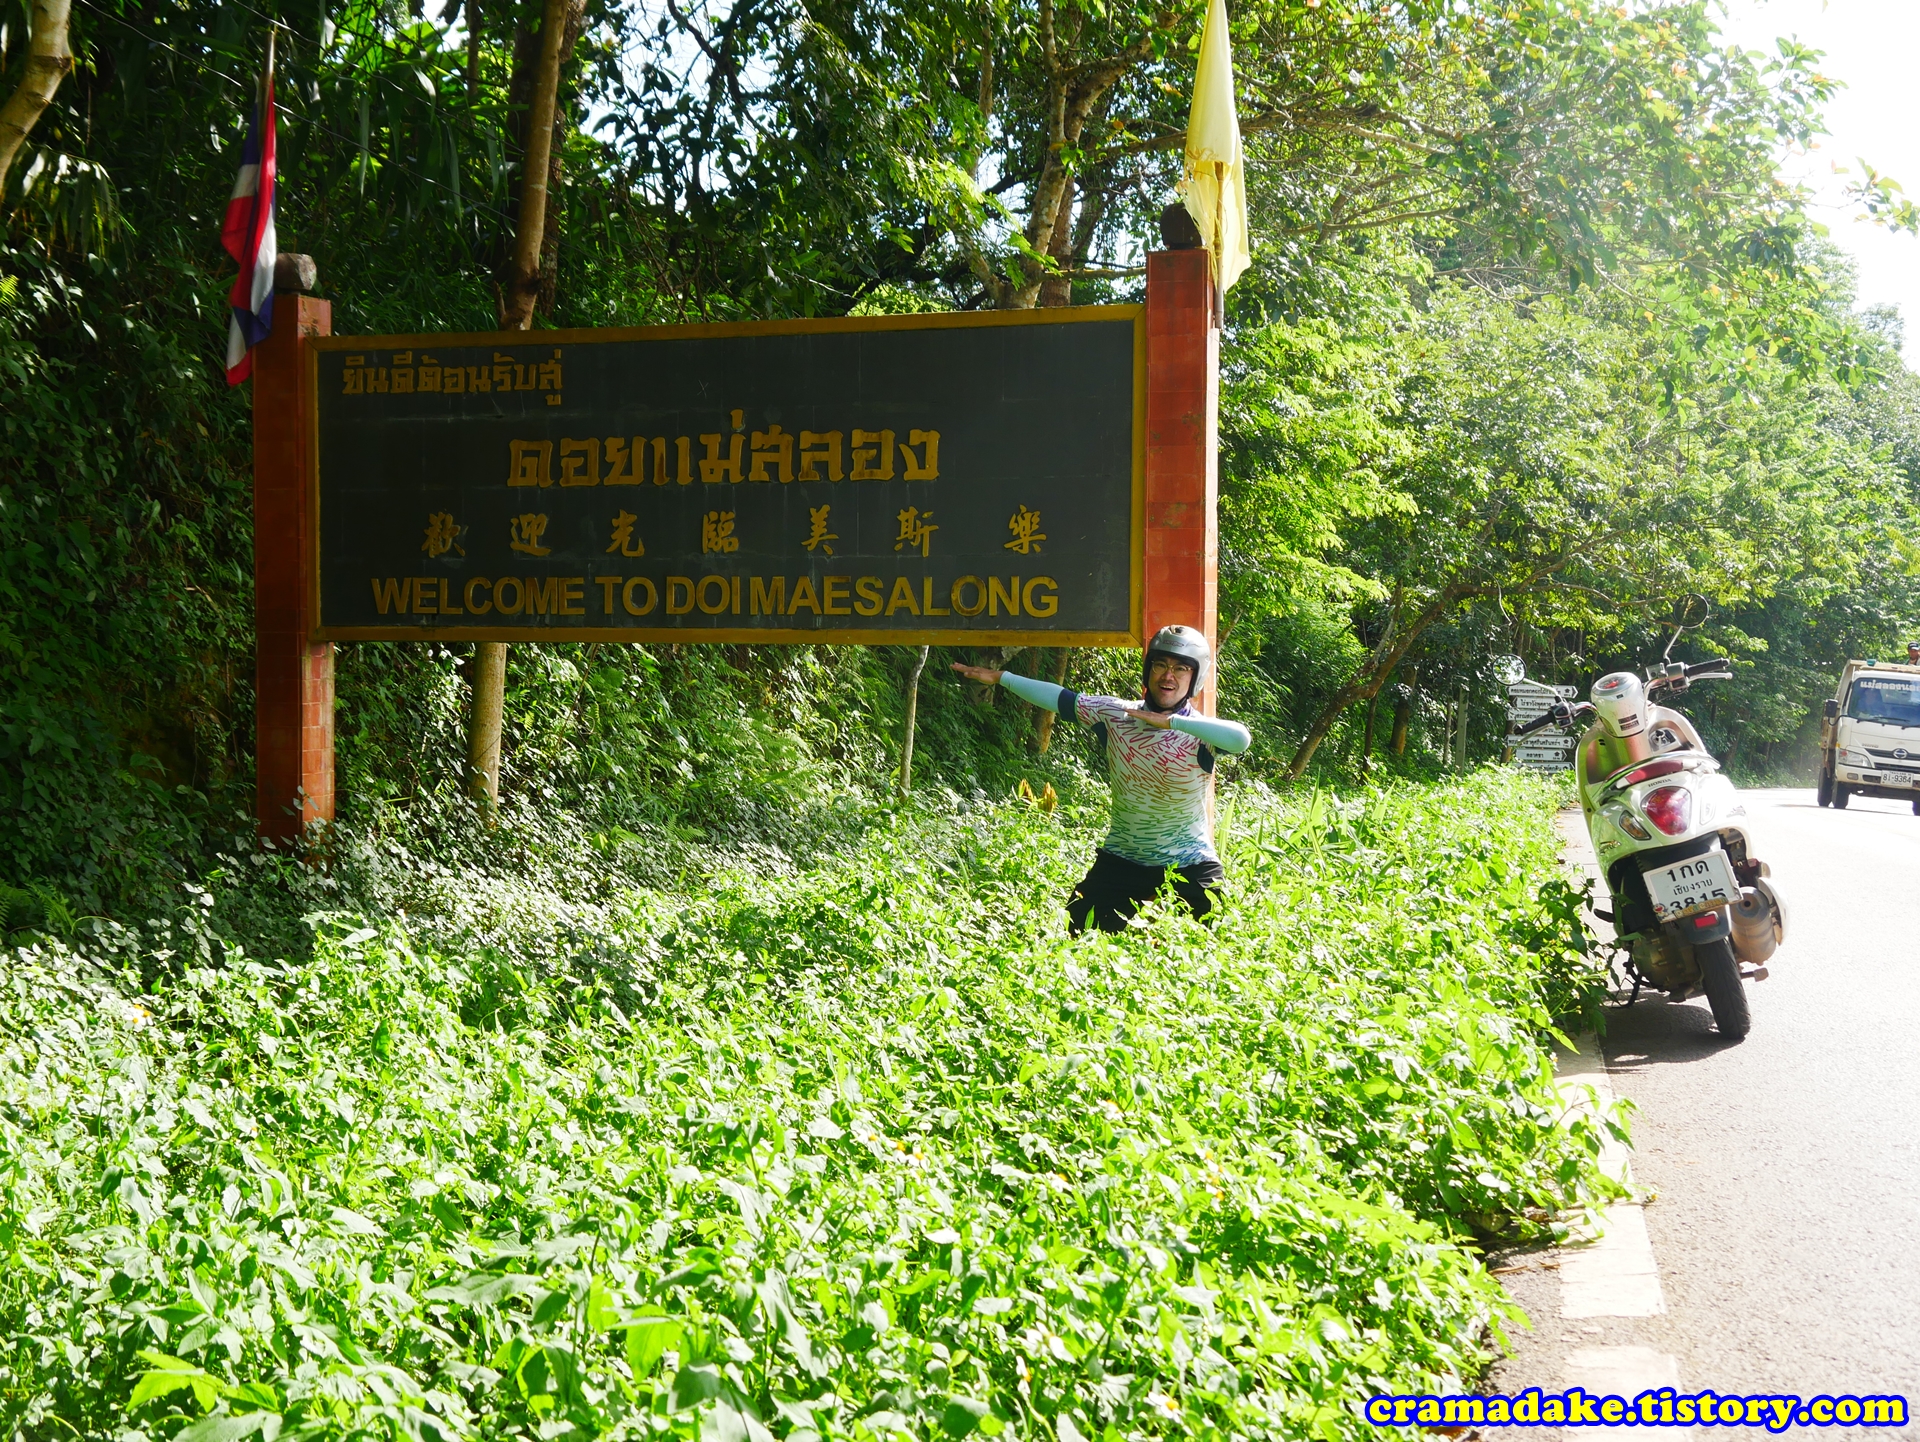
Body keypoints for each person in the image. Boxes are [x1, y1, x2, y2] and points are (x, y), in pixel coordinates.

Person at [951, 625, 1252, 933]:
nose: (1168, 676)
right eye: (1160, 665)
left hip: (1190, 863)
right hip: (1122, 859)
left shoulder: (1199, 734)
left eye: (1181, 668)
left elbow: (1241, 739)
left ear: (1195, 678)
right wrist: (1003, 678)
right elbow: (1061, 699)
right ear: (1148, 669)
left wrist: (1173, 722)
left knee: (1204, 950)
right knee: (1075, 936)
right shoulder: (1117, 715)